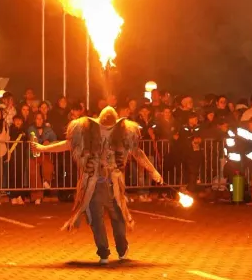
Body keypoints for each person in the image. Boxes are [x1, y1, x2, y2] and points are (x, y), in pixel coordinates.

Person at [31, 106, 162, 264]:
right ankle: (104, 252)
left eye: (110, 128)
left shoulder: (122, 135)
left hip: (113, 185)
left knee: (118, 218)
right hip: (93, 185)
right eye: (104, 127)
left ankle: (120, 249)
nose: (107, 131)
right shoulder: (87, 133)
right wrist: (44, 148)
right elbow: (68, 144)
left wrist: (153, 170)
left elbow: (137, 152)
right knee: (97, 219)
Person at [27, 112, 57, 203]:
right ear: (34, 119)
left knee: (48, 167)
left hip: (44, 153)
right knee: (34, 174)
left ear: (43, 120)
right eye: (37, 118)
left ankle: (46, 181)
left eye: (41, 118)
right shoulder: (31, 128)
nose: (39, 120)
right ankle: (37, 197)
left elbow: (54, 138)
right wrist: (44, 140)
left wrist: (47, 142)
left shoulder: (48, 129)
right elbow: (33, 138)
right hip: (33, 154)